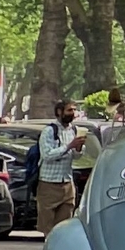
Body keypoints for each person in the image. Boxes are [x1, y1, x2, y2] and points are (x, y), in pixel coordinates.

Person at [34, 99, 94, 233]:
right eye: (69, 110)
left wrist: (78, 148)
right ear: (59, 112)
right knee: (48, 225)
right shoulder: (49, 131)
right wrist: (68, 146)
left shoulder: (74, 130)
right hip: (49, 183)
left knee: (65, 225)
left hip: (67, 182)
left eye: (74, 110)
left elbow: (76, 156)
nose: (72, 113)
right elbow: (47, 155)